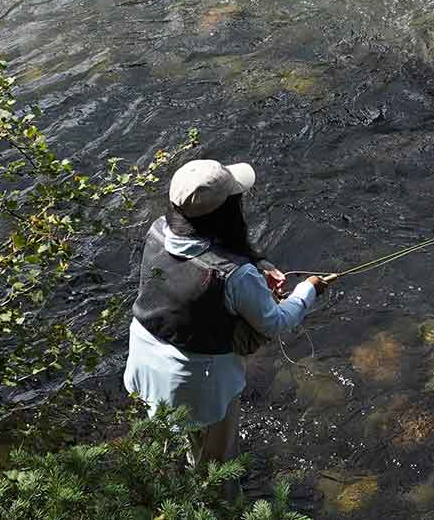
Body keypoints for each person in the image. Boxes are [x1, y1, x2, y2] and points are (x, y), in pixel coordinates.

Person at [123, 158, 328, 475]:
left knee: (169, 444)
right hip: (196, 382)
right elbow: (274, 323)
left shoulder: (157, 232)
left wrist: (257, 263)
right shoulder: (236, 276)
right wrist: (308, 290)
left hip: (145, 362)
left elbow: (201, 257)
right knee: (217, 467)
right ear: (225, 214)